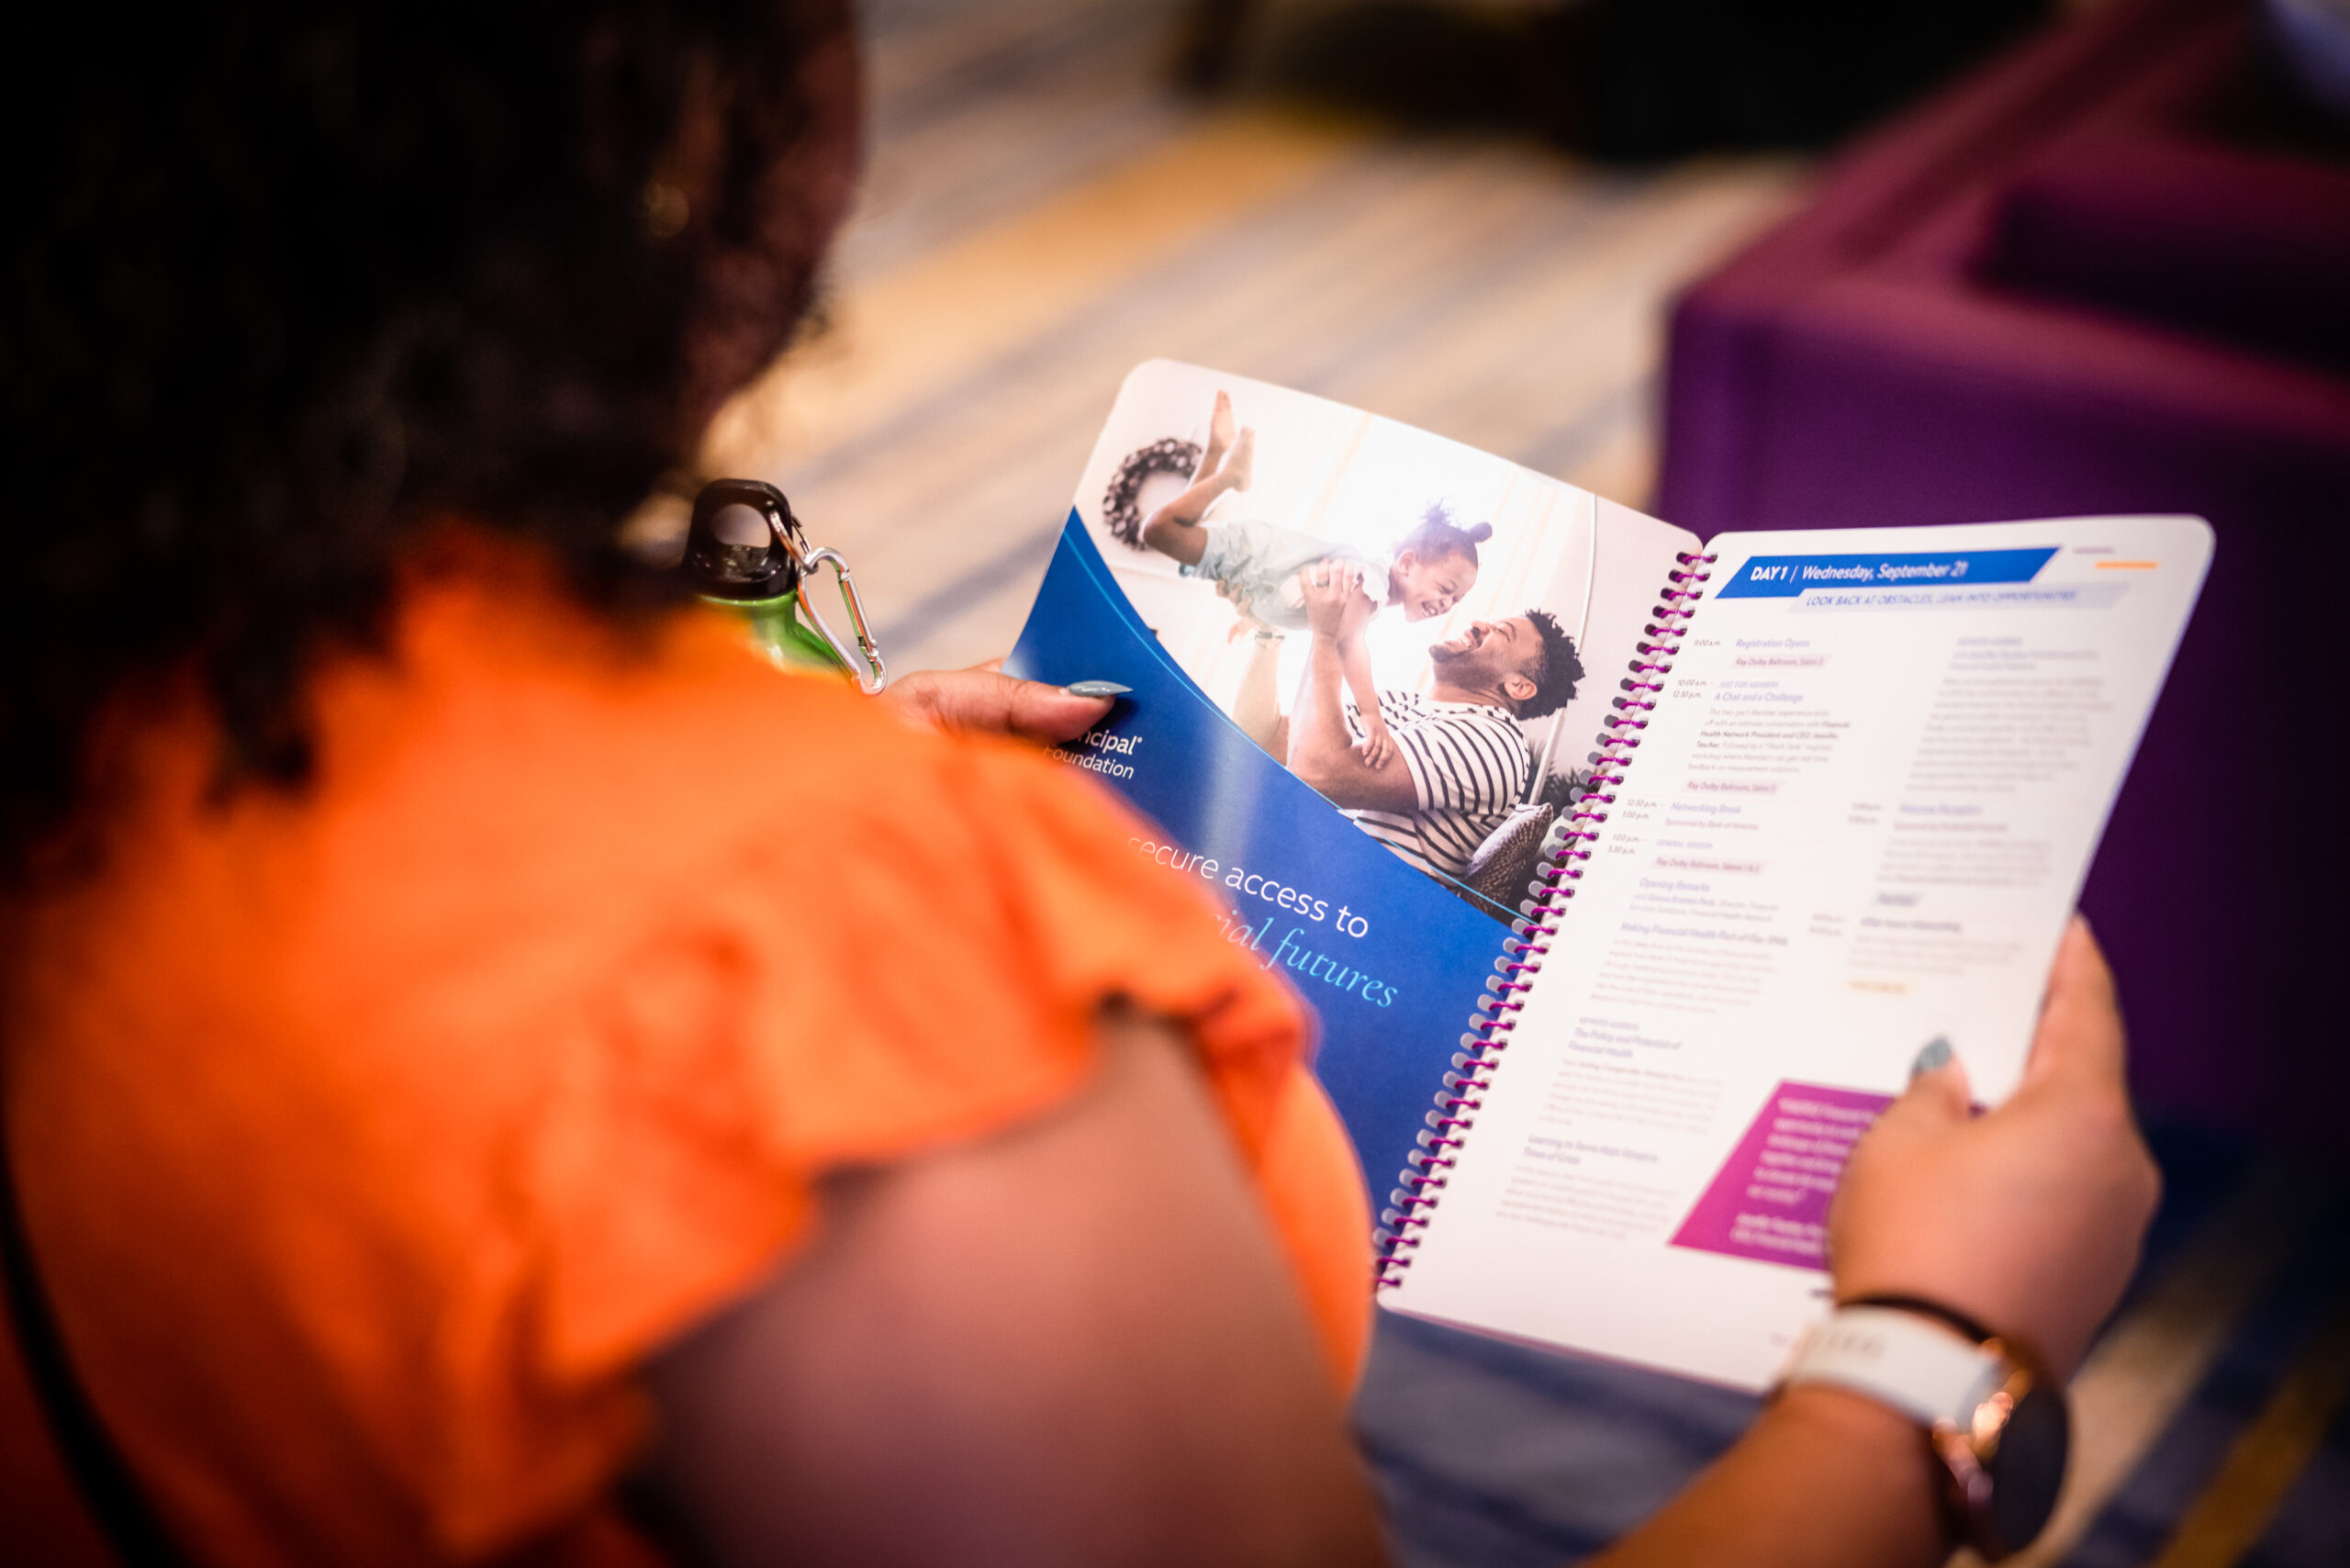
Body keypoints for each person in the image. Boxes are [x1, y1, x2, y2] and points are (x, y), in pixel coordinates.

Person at [0, 5, 2160, 1567]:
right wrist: (1928, 1353)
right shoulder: (816, 965)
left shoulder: (132, 635)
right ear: (656, 113)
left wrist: (782, 802)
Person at [1137, 391, 1485, 766]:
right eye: (1446, 589)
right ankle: (1230, 478)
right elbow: (1348, 645)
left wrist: (1256, 616)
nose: (1446, 605)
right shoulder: (1369, 584)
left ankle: (1216, 452)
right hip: (1252, 555)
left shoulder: (1371, 590)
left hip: (1252, 572)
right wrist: (1372, 718)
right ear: (1408, 562)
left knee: (1185, 526)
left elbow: (1296, 591)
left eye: (1456, 601)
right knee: (1158, 530)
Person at [1281, 564, 1583, 884]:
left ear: (1518, 687)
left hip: (1339, 911)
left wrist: (1327, 635)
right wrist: (1266, 633)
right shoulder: (1396, 703)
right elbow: (1276, 741)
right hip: (1293, 881)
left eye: (1501, 633)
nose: (1479, 624)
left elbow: (1315, 773)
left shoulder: (1493, 742)